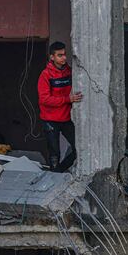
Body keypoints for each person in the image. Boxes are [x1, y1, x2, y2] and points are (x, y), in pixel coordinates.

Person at [37, 42, 82, 172]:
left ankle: (60, 171)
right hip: (50, 120)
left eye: (64, 54)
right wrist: (68, 99)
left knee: (79, 148)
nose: (64, 58)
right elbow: (44, 99)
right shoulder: (45, 75)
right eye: (60, 55)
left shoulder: (70, 72)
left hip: (66, 118)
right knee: (54, 154)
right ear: (52, 57)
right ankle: (55, 174)